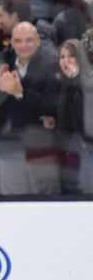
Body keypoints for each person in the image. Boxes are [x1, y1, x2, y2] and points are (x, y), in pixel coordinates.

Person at [0, 22, 59, 195]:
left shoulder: (51, 66)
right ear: (12, 43)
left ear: (38, 42)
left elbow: (52, 106)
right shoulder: (4, 65)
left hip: (40, 147)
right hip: (10, 146)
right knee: (12, 201)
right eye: (19, 41)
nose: (23, 45)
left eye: (29, 40)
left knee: (45, 201)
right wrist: (1, 90)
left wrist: (21, 93)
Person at [54, 39, 93, 193]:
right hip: (69, 154)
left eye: (71, 56)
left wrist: (75, 82)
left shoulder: (88, 83)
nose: (66, 61)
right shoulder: (63, 85)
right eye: (62, 57)